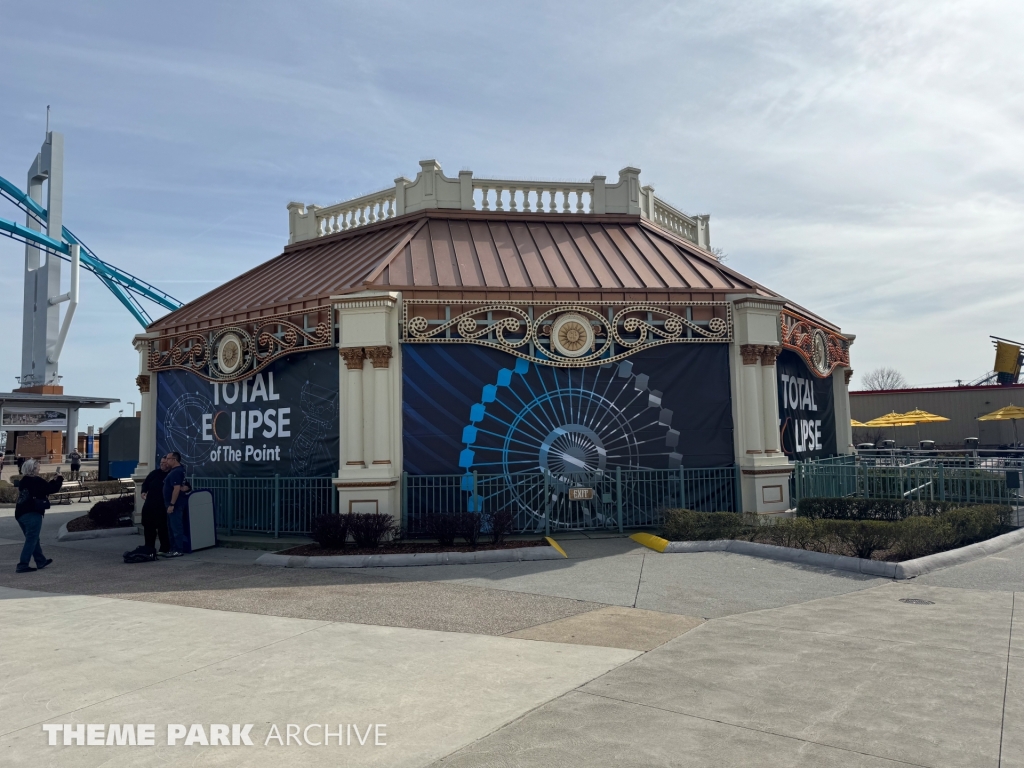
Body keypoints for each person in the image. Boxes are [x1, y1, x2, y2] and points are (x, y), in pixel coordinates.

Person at [14, 458, 62, 573]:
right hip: (32, 513)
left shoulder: (24, 480)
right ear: (33, 469)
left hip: (20, 513)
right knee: (31, 539)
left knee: (33, 537)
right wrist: (59, 479)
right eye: (38, 467)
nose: (39, 468)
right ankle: (22, 564)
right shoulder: (36, 480)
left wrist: (52, 481)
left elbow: (43, 489)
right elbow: (52, 489)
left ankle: (40, 560)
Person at [140, 456, 171, 556]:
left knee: (163, 528)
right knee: (148, 527)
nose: (162, 464)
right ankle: (149, 547)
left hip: (162, 506)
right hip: (150, 504)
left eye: (164, 463)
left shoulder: (172, 474)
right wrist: (143, 491)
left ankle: (164, 548)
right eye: (161, 462)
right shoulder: (154, 473)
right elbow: (145, 484)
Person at [162, 451, 187, 557]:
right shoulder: (174, 471)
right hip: (170, 504)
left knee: (176, 527)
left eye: (168, 459)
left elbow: (176, 489)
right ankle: (173, 549)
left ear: (174, 460)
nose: (166, 461)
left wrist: (172, 504)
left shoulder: (177, 472)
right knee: (171, 528)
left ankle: (178, 549)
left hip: (175, 505)